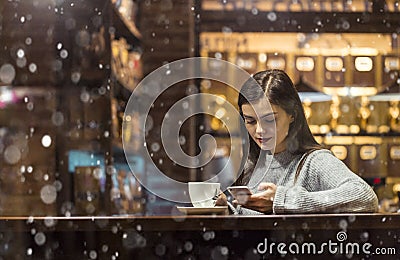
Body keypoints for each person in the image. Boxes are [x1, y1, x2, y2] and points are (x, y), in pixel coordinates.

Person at [216, 69, 378, 214]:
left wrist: (282, 200)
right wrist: (227, 207)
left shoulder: (314, 161)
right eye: (251, 121)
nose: (259, 130)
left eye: (270, 120)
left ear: (292, 114)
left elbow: (364, 196)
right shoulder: (250, 165)